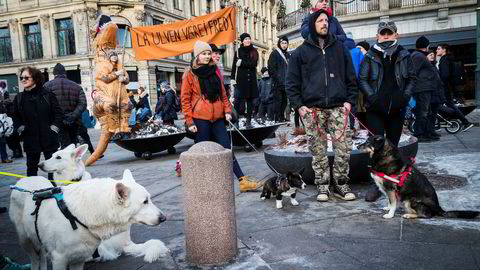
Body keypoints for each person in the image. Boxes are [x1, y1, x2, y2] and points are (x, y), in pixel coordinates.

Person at [286, 9, 358, 202]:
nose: (324, 23)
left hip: (338, 107)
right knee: (318, 151)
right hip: (313, 109)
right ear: (312, 24)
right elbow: (291, 83)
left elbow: (351, 77)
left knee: (344, 148)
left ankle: (341, 184)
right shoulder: (300, 52)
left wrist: (349, 102)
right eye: (320, 20)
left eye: (326, 20)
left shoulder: (340, 48)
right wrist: (299, 106)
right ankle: (323, 186)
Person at [181, 41, 259, 192]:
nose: (207, 56)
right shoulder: (189, 74)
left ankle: (242, 180)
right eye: (204, 53)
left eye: (208, 53)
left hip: (217, 118)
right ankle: (200, 185)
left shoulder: (215, 70)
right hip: (200, 118)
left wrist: (228, 111)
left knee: (227, 149)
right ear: (197, 55)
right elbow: (185, 100)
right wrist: (189, 121)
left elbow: (223, 95)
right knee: (202, 153)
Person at [358, 21, 416, 202]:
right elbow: (362, 79)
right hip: (375, 109)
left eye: (389, 33)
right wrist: (372, 97)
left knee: (393, 147)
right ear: (377, 36)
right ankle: (375, 185)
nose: (385, 36)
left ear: (396, 35)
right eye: (382, 33)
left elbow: (412, 79)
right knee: (375, 149)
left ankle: (393, 182)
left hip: (396, 110)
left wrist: (404, 97)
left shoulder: (404, 54)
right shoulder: (370, 55)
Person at [13, 66, 63, 181]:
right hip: (30, 138)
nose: (23, 80)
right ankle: (32, 192)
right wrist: (20, 127)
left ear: (35, 79)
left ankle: (54, 190)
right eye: (21, 78)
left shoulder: (48, 95)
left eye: (26, 77)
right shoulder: (19, 98)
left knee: (52, 168)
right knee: (31, 169)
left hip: (49, 137)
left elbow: (58, 113)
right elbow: (15, 115)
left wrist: (54, 127)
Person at [44, 63, 87, 149]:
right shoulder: (76, 86)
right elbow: (83, 103)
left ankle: (67, 161)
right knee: (72, 144)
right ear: (65, 73)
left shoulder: (47, 86)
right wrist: (73, 115)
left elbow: (44, 105)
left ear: (54, 73)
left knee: (64, 145)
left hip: (57, 122)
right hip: (74, 121)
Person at [436, 44, 474, 132]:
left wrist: (440, 82)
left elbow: (445, 75)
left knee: (445, 104)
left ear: (444, 50)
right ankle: (458, 122)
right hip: (448, 86)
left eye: (438, 49)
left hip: (445, 87)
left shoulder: (444, 59)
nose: (437, 50)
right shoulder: (448, 59)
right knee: (447, 104)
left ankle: (465, 122)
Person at [410, 36, 437, 142]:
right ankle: (420, 134)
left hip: (425, 88)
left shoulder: (419, 55)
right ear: (426, 46)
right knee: (423, 112)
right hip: (422, 88)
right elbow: (413, 72)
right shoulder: (418, 56)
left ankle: (426, 133)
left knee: (426, 111)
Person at [231, 33, 259, 128]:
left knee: (249, 101)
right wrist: (232, 78)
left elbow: (254, 64)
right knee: (237, 101)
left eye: (249, 39)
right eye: (245, 39)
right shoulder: (238, 51)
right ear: (242, 41)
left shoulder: (254, 51)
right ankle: (236, 121)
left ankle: (248, 121)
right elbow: (234, 66)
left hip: (251, 80)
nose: (248, 40)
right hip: (240, 80)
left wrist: (242, 62)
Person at [267, 36, 290, 123]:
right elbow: (271, 67)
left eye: (285, 43)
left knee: (284, 101)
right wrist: (276, 77)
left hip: (286, 82)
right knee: (277, 101)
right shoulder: (275, 53)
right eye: (282, 43)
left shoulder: (288, 55)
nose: (284, 45)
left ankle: (281, 116)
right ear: (279, 44)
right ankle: (276, 117)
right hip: (277, 82)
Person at [426, 49, 446, 139]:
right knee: (429, 114)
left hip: (436, 93)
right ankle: (429, 132)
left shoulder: (433, 66)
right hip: (430, 93)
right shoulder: (426, 67)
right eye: (430, 55)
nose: (432, 56)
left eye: (433, 54)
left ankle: (432, 131)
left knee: (434, 114)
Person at [3, 91, 23, 158]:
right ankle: (19, 152)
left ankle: (16, 152)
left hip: (9, 125)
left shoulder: (4, 104)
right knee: (16, 140)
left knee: (11, 140)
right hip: (15, 123)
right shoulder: (14, 103)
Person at [0, 90, 12, 163]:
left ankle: (4, 157)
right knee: (2, 142)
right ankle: (4, 158)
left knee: (2, 142)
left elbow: (4, 112)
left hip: (2, 126)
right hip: (1, 126)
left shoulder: (1, 103)